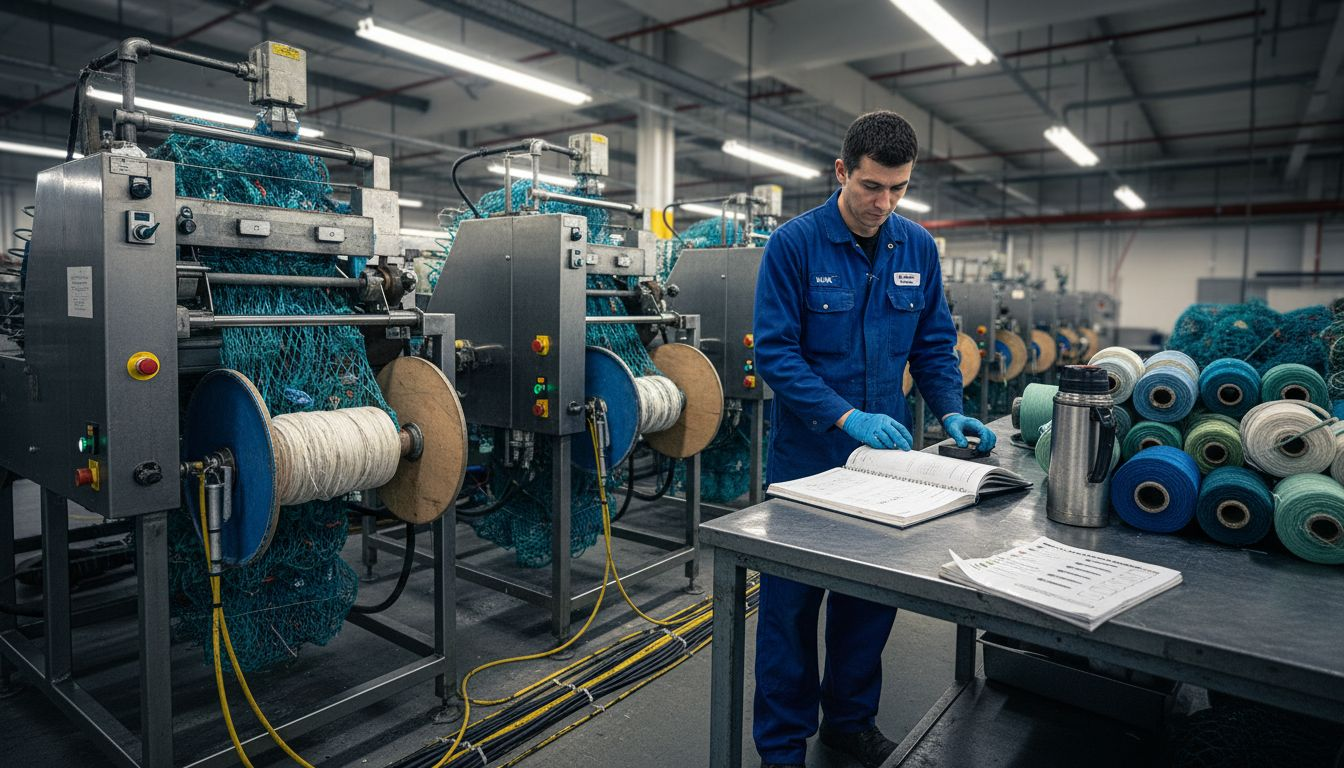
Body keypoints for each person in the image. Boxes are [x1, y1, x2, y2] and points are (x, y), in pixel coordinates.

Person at [751, 110, 996, 768]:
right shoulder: (794, 245)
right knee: (789, 612)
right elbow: (776, 355)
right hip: (807, 462)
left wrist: (951, 412)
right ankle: (782, 749)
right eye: (871, 186)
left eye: (898, 188)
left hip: (886, 466)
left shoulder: (916, 247)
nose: (883, 203)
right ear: (842, 172)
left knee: (867, 604)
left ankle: (849, 722)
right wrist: (844, 416)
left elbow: (934, 345)